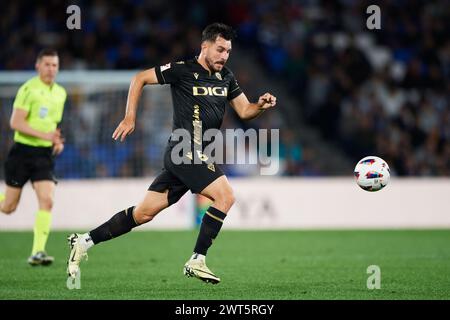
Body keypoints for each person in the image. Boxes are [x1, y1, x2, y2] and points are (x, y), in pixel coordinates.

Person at [67, 23, 276, 284]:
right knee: (225, 196)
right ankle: (197, 259)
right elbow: (139, 78)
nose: (224, 56)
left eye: (228, 51)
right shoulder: (183, 70)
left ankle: (83, 242)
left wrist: (261, 105)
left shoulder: (227, 77)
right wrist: (129, 117)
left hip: (196, 155)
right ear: (205, 46)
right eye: (220, 49)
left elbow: (245, 111)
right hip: (184, 148)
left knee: (143, 214)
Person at [0, 49, 66, 266]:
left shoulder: (60, 93)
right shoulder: (28, 89)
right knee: (8, 207)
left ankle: (38, 251)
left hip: (43, 156)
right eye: (47, 64)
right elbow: (16, 123)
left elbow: (53, 125)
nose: (51, 69)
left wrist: (56, 141)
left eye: (54, 65)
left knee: (47, 200)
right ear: (38, 66)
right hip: (22, 153)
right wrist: (45, 135)